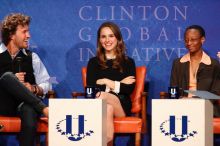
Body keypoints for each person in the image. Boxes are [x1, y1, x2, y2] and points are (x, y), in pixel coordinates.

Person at [0, 13, 51, 146]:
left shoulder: (32, 57)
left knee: (29, 108)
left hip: (23, 106)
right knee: (7, 77)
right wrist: (13, 82)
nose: (28, 36)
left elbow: (47, 84)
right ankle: (44, 109)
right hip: (1, 105)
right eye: (24, 32)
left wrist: (33, 88)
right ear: (11, 34)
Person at [86, 22, 136, 146]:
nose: (107, 40)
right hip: (101, 107)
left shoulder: (128, 62)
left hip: (122, 106)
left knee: (101, 96)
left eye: (111, 36)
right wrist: (118, 84)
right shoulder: (93, 63)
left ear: (118, 38)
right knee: (107, 109)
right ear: (99, 40)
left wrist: (105, 81)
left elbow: (129, 89)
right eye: (103, 37)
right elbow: (90, 88)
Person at [170, 25, 220, 116]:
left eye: (193, 40)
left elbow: (215, 93)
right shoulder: (178, 63)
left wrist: (194, 100)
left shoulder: (214, 64)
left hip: (206, 107)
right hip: (181, 107)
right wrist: (176, 100)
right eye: (186, 40)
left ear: (202, 40)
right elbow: (173, 89)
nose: (188, 43)